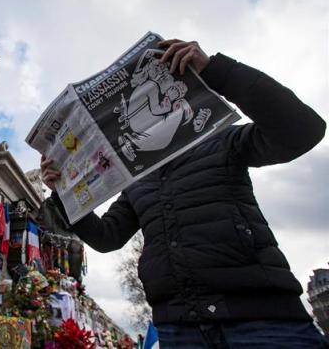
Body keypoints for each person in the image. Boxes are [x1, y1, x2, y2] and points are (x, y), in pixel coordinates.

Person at [40, 39, 328, 348]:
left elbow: (302, 131)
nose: (160, 105)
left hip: (262, 321)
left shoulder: (220, 140)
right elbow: (107, 237)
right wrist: (63, 192)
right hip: (180, 329)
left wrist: (217, 71)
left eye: (164, 98)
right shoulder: (137, 179)